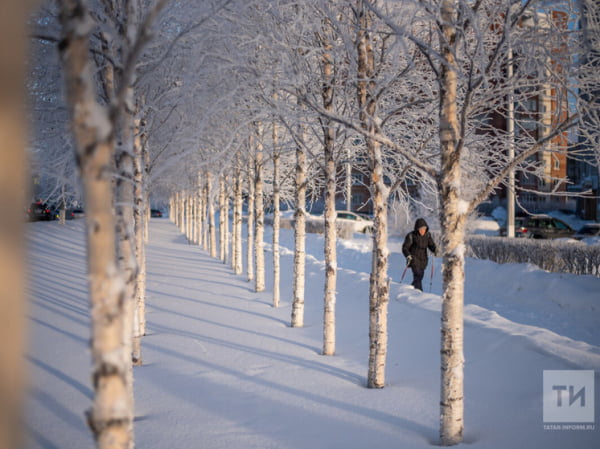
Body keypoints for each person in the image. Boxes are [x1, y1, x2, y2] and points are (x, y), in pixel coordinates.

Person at [402, 218, 437, 291]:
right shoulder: (411, 235)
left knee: (419, 277)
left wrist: (434, 249)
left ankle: (409, 290)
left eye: (424, 229)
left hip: (423, 261)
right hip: (414, 259)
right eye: (421, 229)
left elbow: (431, 245)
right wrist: (408, 256)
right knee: (417, 276)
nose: (422, 231)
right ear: (417, 229)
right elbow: (405, 248)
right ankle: (419, 294)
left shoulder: (427, 235)